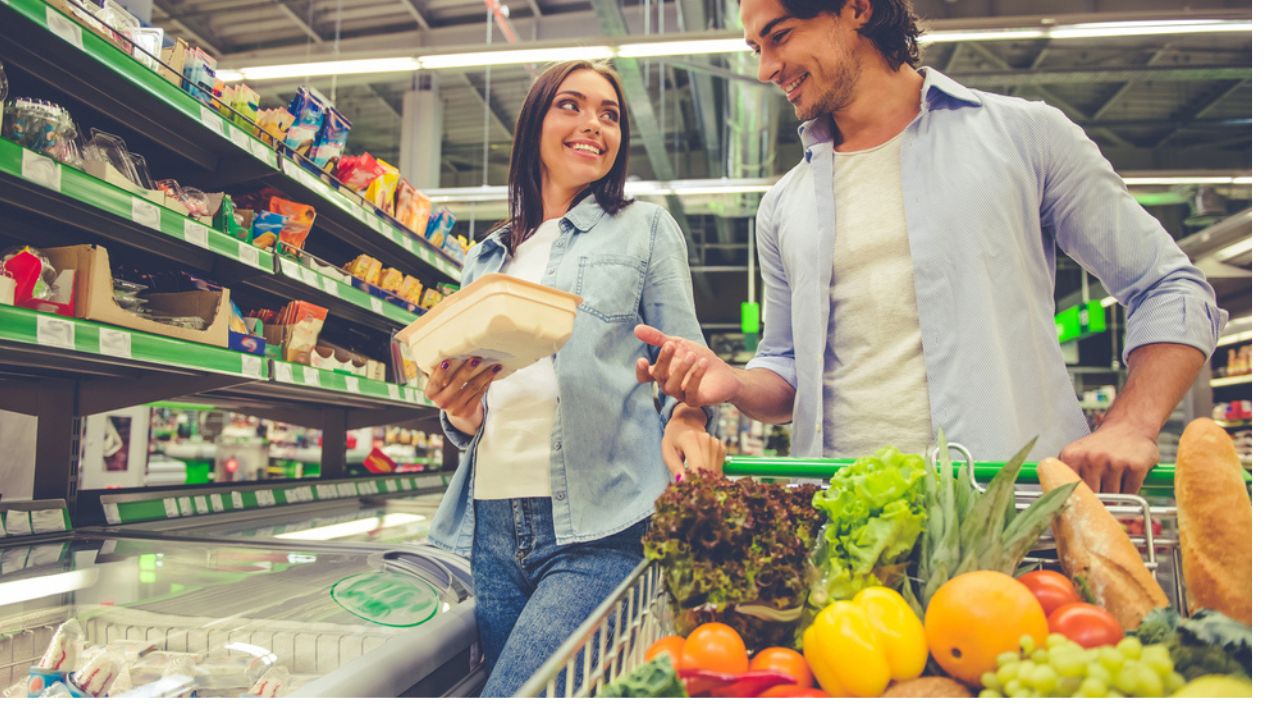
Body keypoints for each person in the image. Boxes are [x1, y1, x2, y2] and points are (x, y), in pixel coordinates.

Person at [635, 0, 1226, 495]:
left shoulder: (1024, 136)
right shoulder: (782, 205)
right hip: (842, 530)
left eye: (779, 36)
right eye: (755, 49)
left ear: (857, 9)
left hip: (1006, 521)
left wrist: (1132, 425)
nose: (765, 69)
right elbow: (788, 368)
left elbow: (1168, 286)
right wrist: (733, 383)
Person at [423, 60, 723, 697]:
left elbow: (689, 366)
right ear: (535, 120)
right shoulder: (486, 257)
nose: (593, 124)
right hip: (491, 529)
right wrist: (458, 413)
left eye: (609, 114)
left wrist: (691, 418)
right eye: (572, 105)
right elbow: (470, 412)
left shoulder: (644, 229)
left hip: (601, 524)